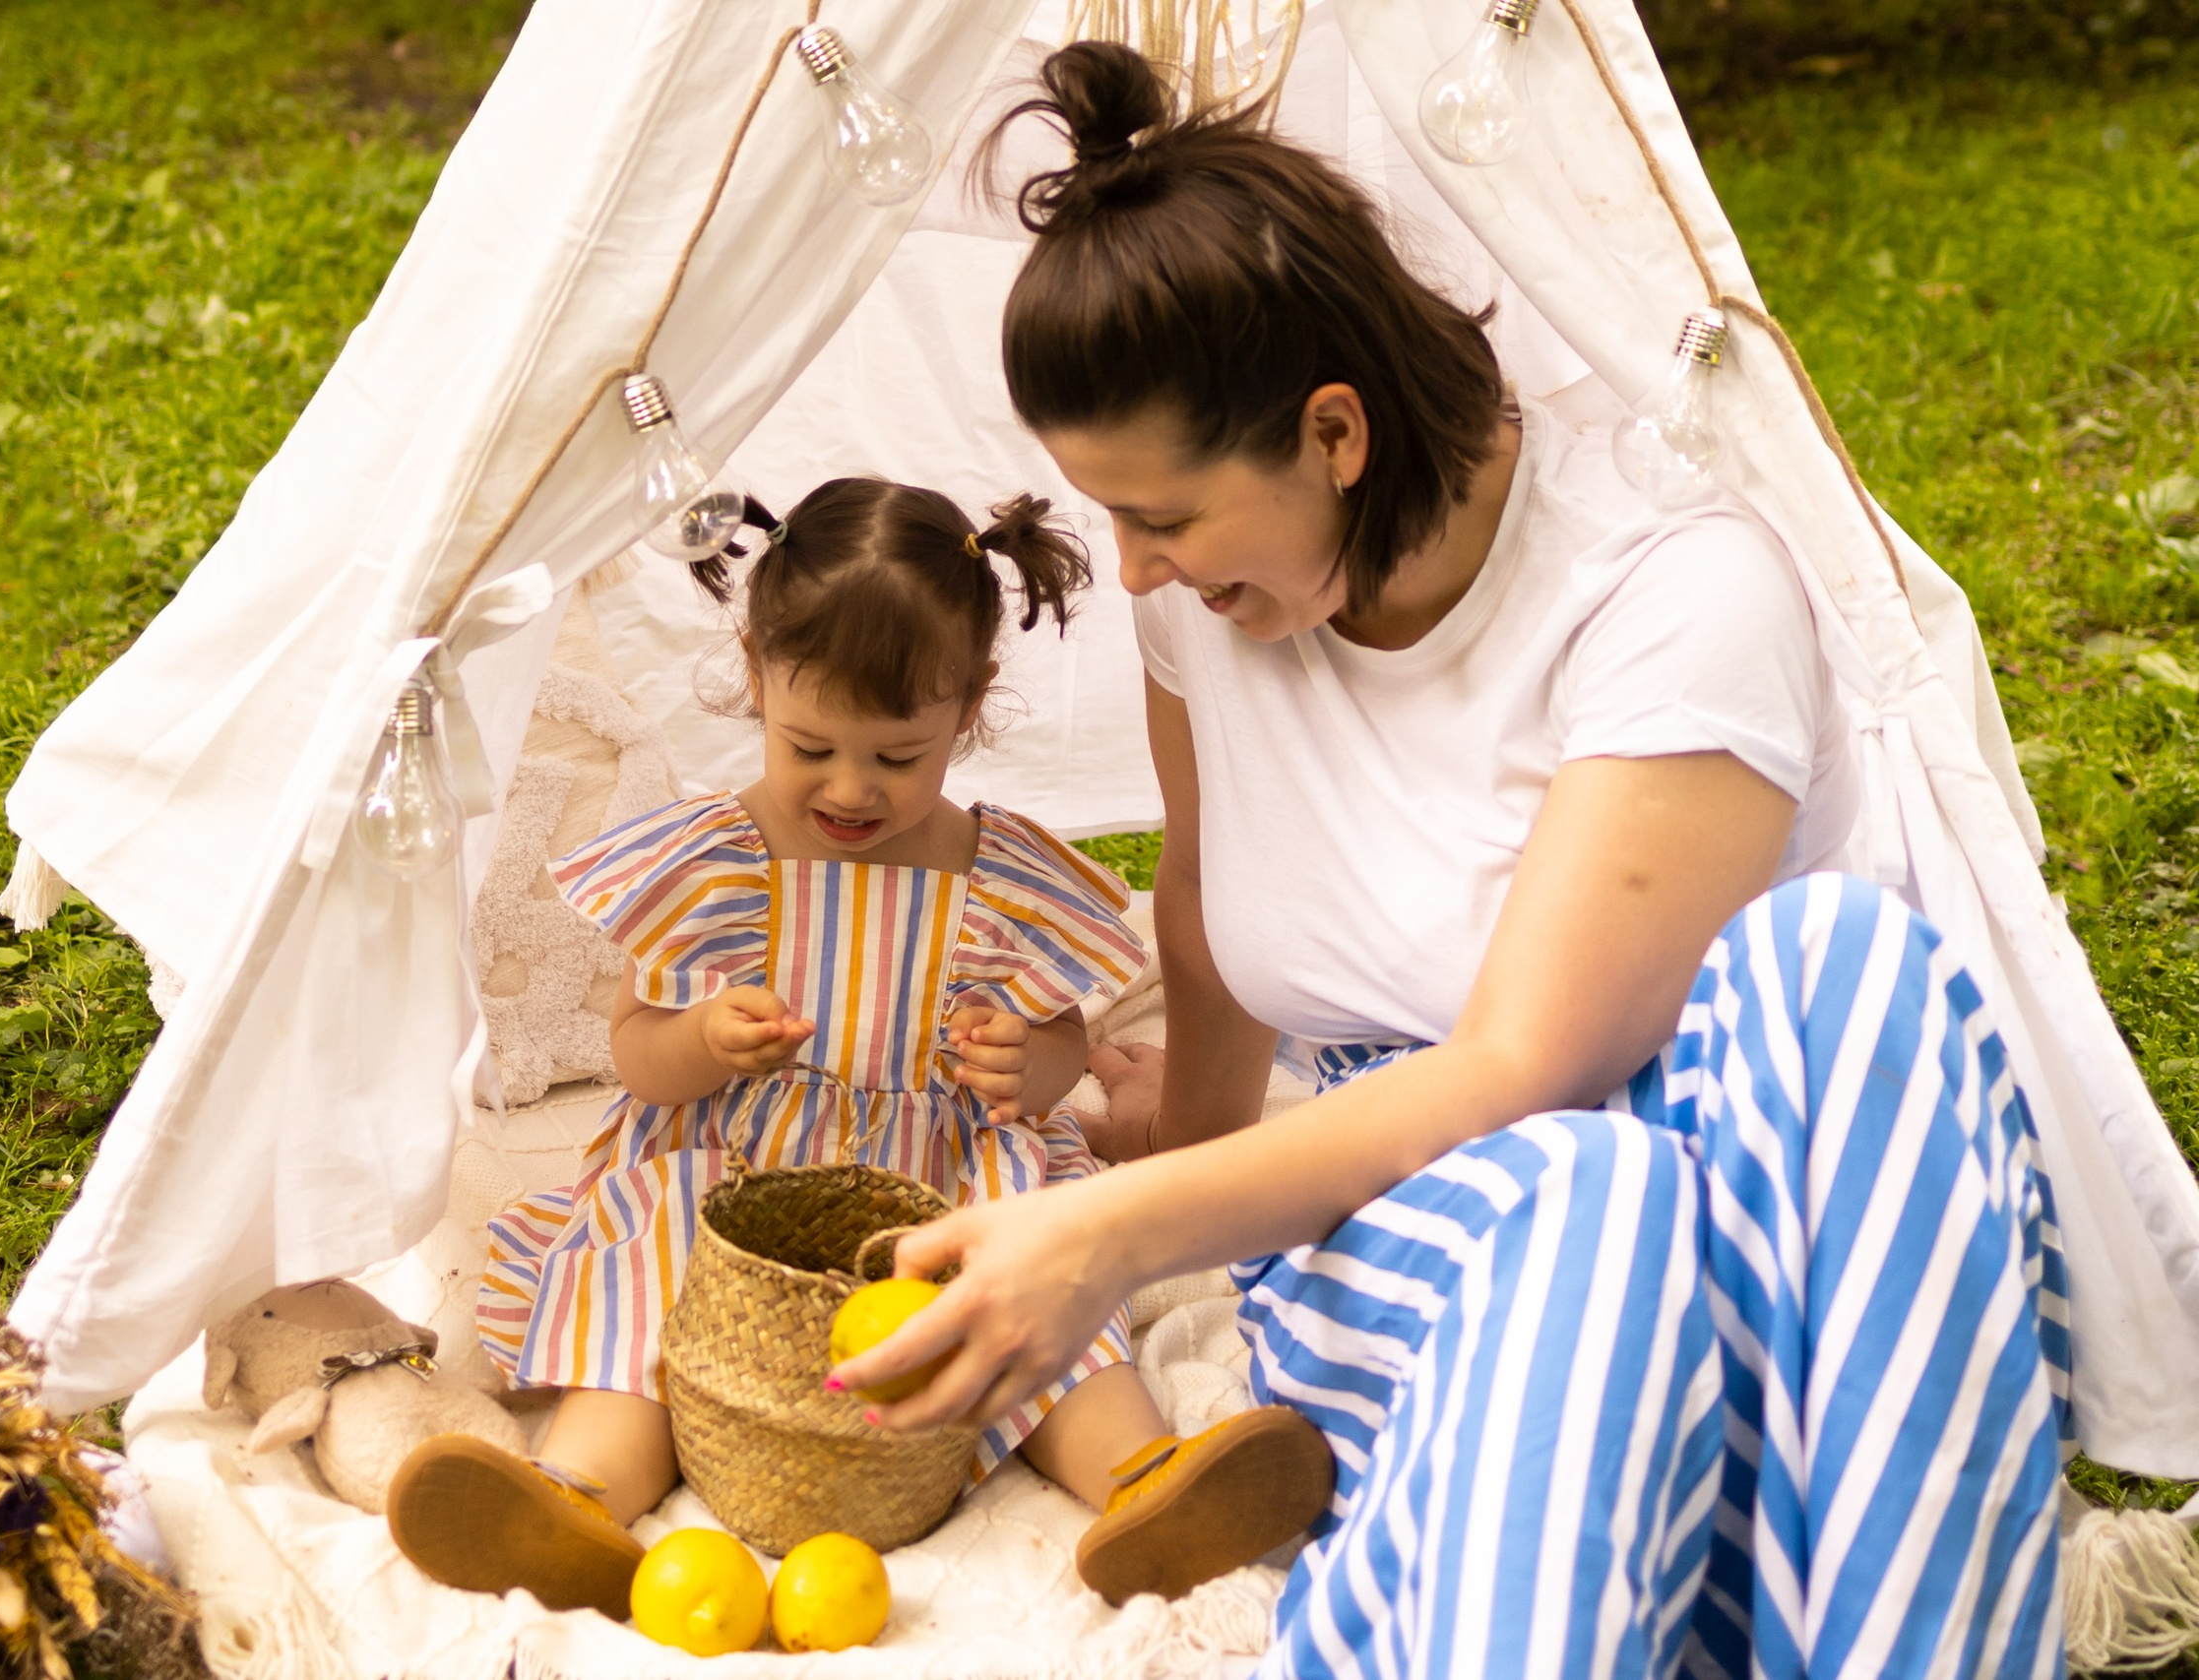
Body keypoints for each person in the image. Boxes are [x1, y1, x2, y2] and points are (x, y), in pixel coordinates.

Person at [831, 43, 2073, 1677]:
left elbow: (1532, 1063)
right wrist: (1171, 1185)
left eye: (1168, 515)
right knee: (1584, 1194)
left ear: (1332, 431)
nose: (1132, 565)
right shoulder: (1205, 618)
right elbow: (1201, 930)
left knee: (1848, 963)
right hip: (1439, 1251)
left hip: (1748, 1252)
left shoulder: (1671, 576)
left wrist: (1107, 1232)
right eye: (1108, 516)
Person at [386, 476, 1335, 1621]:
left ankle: (1141, 1480)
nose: (849, 788)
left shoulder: (994, 876)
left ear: (969, 707)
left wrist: (1026, 1067)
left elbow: (1061, 1043)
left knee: (1029, 1289)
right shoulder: (711, 863)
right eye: (810, 745)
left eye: (898, 757)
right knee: (646, 1273)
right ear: (755, 678)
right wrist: (700, 1038)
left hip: (932, 1180)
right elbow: (635, 1054)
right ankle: (576, 1497)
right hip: (730, 1171)